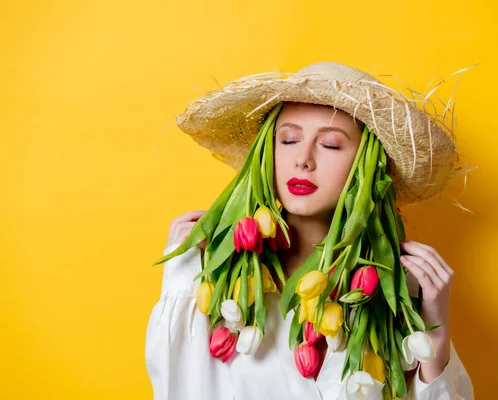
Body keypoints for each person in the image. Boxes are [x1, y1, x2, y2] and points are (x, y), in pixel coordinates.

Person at [146, 62, 474, 399]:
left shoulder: (393, 290)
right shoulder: (217, 276)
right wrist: (180, 280)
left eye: (330, 145)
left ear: (368, 166)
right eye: (288, 139)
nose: (303, 159)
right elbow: (176, 384)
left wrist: (435, 332)